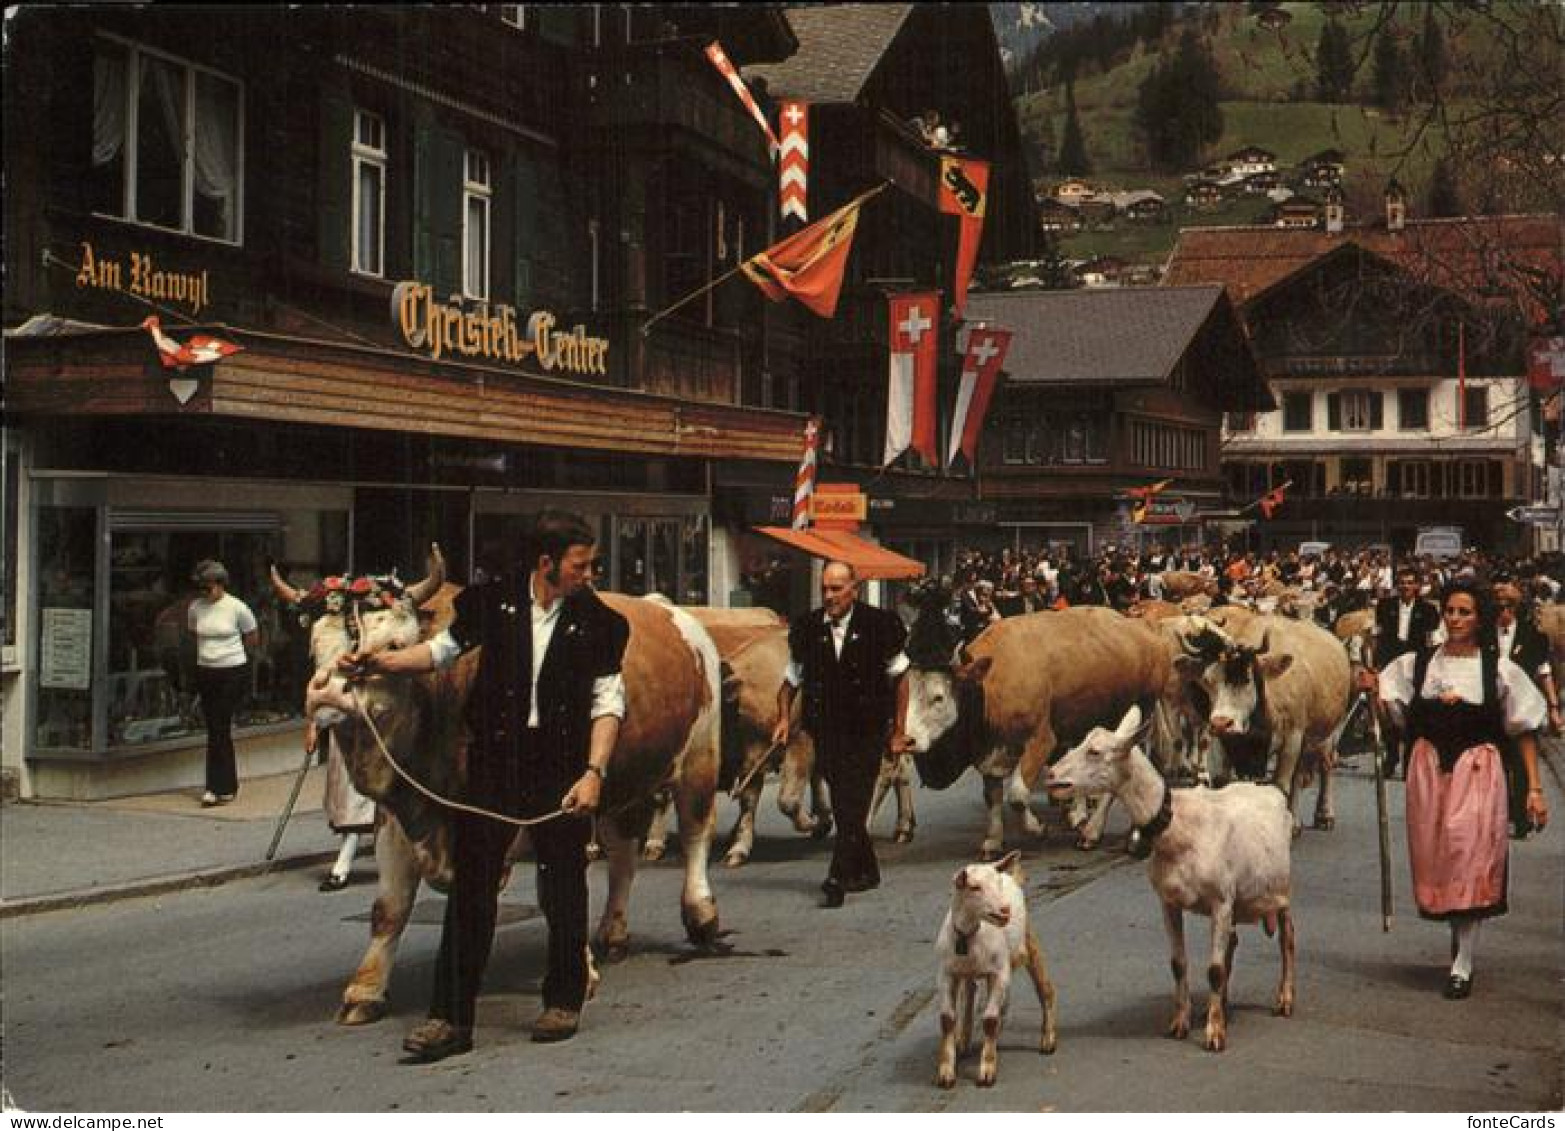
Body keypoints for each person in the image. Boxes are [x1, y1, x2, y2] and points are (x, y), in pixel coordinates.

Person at [341, 510, 628, 1059]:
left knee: (563, 884)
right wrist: (379, 662)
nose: (591, 574)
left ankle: (563, 999)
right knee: (472, 888)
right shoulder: (492, 603)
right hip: (497, 764)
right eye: (581, 564)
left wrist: (594, 774)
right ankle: (450, 1019)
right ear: (547, 563)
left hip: (562, 769)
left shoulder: (602, 622)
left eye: (592, 565)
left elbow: (608, 703)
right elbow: (440, 652)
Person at [1360, 580, 1550, 1000]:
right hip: (1429, 770)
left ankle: (1463, 961)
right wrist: (1373, 690)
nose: (1456, 619)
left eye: (1465, 612)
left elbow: (1524, 730)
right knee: (1440, 858)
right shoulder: (1419, 663)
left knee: (1470, 855)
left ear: (1479, 617)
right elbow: (1393, 712)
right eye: (1450, 611)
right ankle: (1458, 932)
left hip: (1478, 769)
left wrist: (1534, 789)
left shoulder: (1495, 667)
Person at [773, 561, 910, 909]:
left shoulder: (880, 625)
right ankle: (867, 870)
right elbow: (790, 681)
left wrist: (898, 730)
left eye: (837, 589)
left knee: (854, 798)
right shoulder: (807, 628)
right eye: (825, 589)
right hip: (827, 729)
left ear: (854, 589)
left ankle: (837, 876)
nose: (829, 596)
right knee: (842, 800)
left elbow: (901, 680)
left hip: (868, 729)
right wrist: (784, 719)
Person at [187, 560, 258, 807]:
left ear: (220, 584)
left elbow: (252, 636)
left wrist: (238, 659)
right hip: (206, 670)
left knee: (220, 725)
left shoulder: (237, 608)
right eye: (202, 589)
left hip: (231, 670)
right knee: (214, 728)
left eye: (209, 588)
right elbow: (193, 635)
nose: (205, 593)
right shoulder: (196, 608)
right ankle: (225, 783)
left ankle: (215, 786)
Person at [1373, 566, 1442, 777]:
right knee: (1387, 710)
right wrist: (1376, 665)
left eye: (1410, 582)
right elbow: (1377, 636)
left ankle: (1408, 762)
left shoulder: (1429, 610)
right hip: (1390, 662)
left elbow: (1433, 642)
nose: (1405, 586)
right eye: (1402, 582)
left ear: (1417, 586)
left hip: (1416, 664)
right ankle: (1391, 755)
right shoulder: (1385, 606)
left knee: (1413, 713)